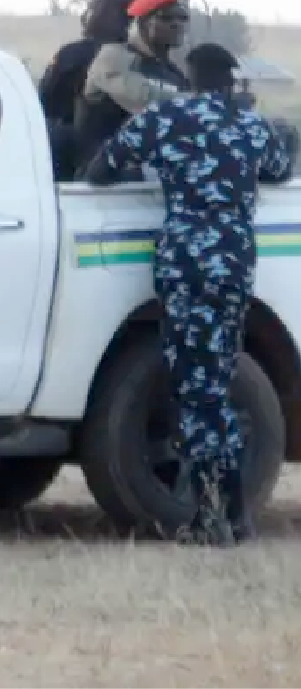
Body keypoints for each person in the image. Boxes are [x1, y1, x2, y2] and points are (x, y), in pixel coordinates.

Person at [86, 41, 294, 545]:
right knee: (219, 379)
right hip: (235, 264)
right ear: (231, 79)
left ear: (190, 76)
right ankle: (236, 514)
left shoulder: (167, 118)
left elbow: (100, 169)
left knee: (196, 390)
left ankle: (210, 518)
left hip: (188, 265)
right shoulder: (250, 125)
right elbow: (281, 167)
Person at [72, 0, 192, 177]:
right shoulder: (114, 56)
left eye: (183, 17)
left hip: (156, 176)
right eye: (166, 17)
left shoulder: (175, 73)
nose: (177, 24)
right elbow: (141, 98)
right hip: (104, 178)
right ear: (143, 22)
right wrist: (199, 102)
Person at [39, 0, 136, 179]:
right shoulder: (139, 58)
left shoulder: (71, 54)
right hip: (125, 157)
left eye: (92, 7)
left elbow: (44, 99)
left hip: (74, 158)